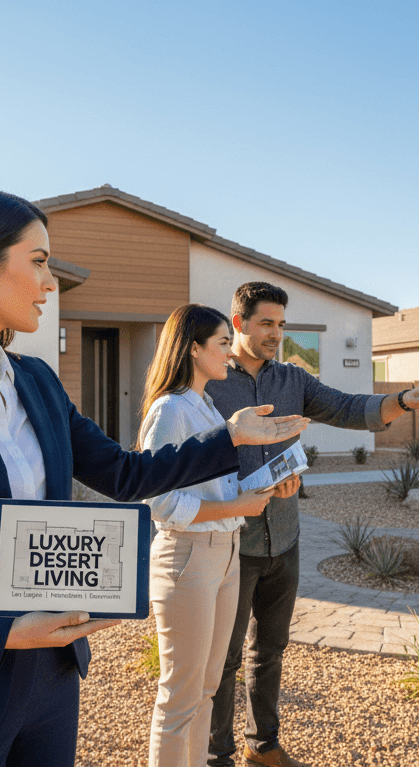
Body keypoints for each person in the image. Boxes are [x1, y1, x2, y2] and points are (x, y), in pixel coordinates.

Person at [0, 187, 310, 767]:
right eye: (39, 262)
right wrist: (1, 631)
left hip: (49, 690)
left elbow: (127, 476)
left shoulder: (38, 382)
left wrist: (230, 437)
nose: (51, 283)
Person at [205, 282, 419, 767]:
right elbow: (191, 456)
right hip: (231, 539)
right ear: (238, 323)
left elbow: (346, 407)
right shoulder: (210, 378)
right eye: (266, 324)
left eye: (281, 324)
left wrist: (402, 399)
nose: (276, 333)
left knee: (271, 648)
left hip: (285, 536)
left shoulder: (293, 380)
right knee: (225, 657)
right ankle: (217, 755)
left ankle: (264, 746)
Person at [136, 304, 300, 767]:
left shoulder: (206, 404)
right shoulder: (170, 410)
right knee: (180, 696)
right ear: (192, 348)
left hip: (225, 553)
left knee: (207, 690)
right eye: (223, 343)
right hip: (188, 558)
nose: (231, 352)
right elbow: (161, 503)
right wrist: (235, 507)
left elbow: (220, 488)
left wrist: (267, 486)